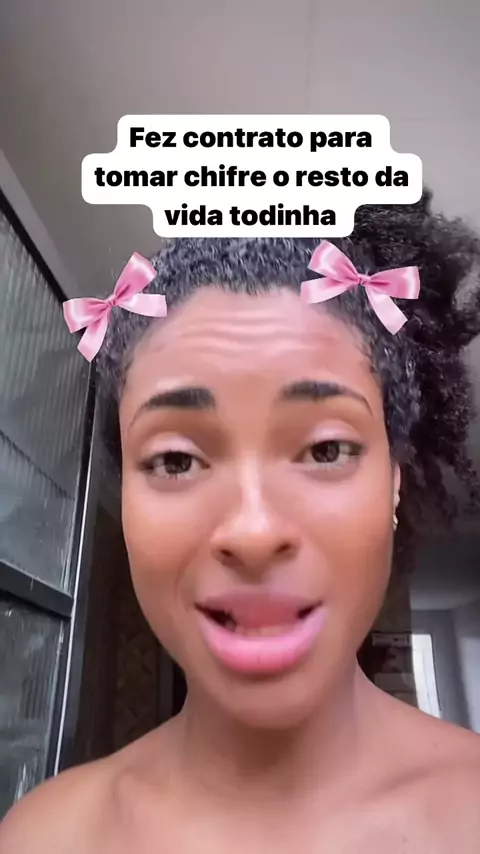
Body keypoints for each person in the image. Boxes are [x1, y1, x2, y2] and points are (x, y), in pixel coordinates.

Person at [2, 190, 480, 852]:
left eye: (326, 449)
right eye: (175, 460)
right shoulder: (43, 838)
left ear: (393, 483)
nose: (254, 532)